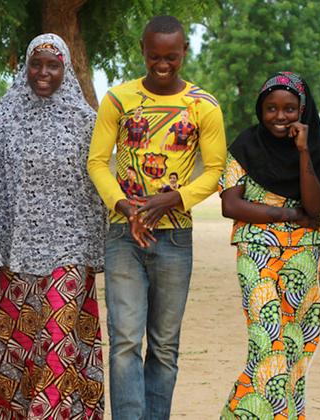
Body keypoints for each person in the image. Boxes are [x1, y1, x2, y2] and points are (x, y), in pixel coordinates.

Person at [87, 15, 226, 419]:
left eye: (171, 57)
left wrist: (174, 200)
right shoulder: (118, 100)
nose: (162, 64)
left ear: (184, 52)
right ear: (142, 51)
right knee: (125, 342)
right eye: (154, 56)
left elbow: (215, 170)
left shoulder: (203, 106)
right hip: (123, 235)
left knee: (164, 346)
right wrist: (125, 206)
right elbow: (97, 162)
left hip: (175, 237)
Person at [0, 33, 107, 419]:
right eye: (36, 63)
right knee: (14, 353)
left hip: (70, 253)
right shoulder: (4, 119)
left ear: (66, 69)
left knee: (58, 348)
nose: (43, 72)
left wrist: (95, 252)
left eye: (53, 65)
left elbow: (95, 189)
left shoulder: (86, 122)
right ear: (25, 67)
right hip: (13, 254)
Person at [219, 72, 320, 419]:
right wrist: (288, 214)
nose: (280, 116)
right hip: (256, 250)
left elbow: (315, 207)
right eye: (271, 108)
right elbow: (230, 205)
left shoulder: (317, 150)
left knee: (295, 347)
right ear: (260, 110)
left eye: (289, 109)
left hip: (302, 254)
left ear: (302, 110)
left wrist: (303, 150)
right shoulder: (245, 146)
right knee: (266, 343)